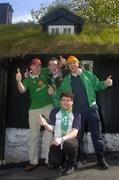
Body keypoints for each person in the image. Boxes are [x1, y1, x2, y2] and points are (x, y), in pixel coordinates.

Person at [54, 55, 113, 169]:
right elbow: (58, 95)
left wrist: (106, 83)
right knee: (78, 138)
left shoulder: (87, 75)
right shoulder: (67, 80)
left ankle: (101, 159)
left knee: (97, 135)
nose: (72, 65)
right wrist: (58, 105)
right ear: (68, 66)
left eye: (74, 63)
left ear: (78, 64)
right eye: (70, 63)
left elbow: (97, 85)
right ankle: (81, 158)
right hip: (77, 113)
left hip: (92, 110)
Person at [16, 58, 52, 171]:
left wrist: (60, 63)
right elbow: (22, 90)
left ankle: (48, 160)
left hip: (48, 107)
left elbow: (55, 68)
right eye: (34, 65)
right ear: (30, 67)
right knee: (34, 136)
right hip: (34, 110)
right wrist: (18, 81)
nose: (37, 67)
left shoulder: (45, 72)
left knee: (49, 134)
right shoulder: (27, 80)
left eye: (39, 65)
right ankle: (33, 161)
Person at [38, 92, 81, 175]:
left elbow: (74, 132)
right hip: (57, 140)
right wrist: (45, 124)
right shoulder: (54, 111)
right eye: (63, 100)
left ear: (72, 102)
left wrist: (62, 139)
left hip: (69, 140)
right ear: (60, 101)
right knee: (54, 162)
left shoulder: (76, 114)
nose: (65, 102)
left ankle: (71, 165)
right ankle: (62, 160)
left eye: (68, 100)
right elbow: (52, 128)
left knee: (69, 145)